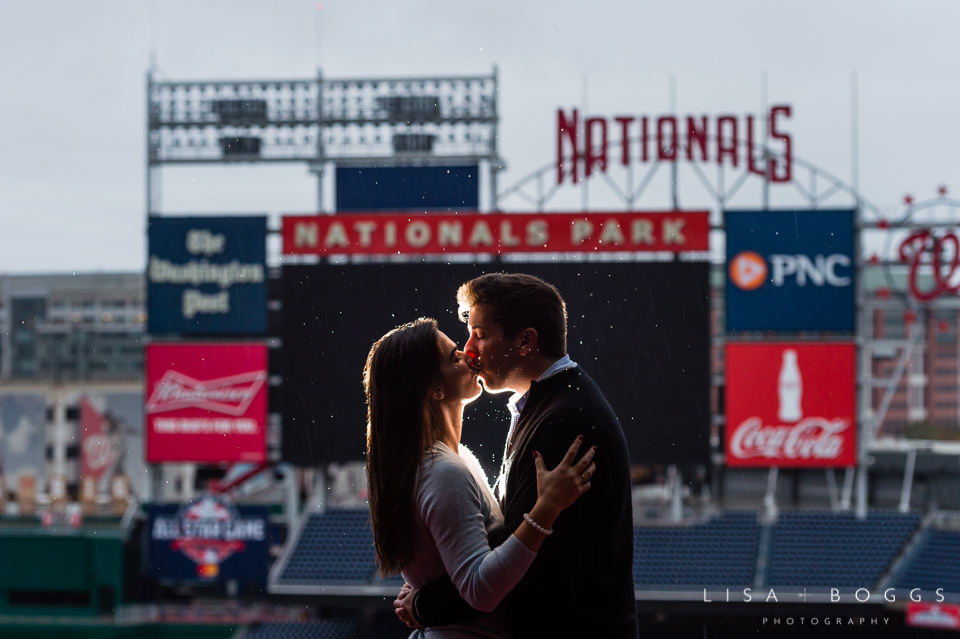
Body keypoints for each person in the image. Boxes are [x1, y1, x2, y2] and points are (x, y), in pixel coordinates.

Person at [395, 274, 639, 638]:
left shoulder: (565, 421)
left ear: (525, 341)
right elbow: (511, 542)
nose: (470, 350)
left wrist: (424, 605)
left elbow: (519, 563)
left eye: (481, 334)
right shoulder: (550, 406)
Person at [365, 318, 597, 638]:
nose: (469, 356)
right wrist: (548, 506)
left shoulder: (445, 461)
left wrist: (423, 599)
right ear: (435, 389)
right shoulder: (444, 472)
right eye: (454, 357)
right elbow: (480, 590)